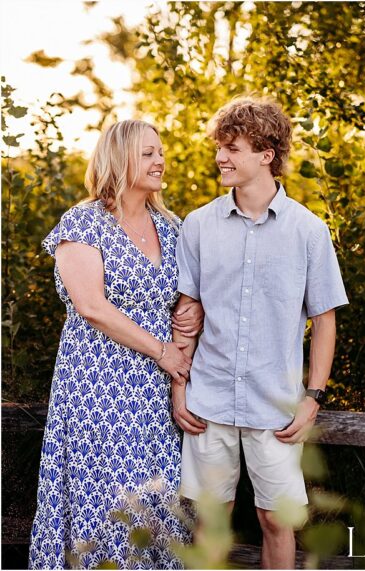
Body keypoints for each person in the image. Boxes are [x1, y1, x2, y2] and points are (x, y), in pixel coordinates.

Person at [171, 98, 348, 568]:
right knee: (212, 518)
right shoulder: (198, 226)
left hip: (276, 406)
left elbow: (324, 320)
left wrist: (313, 396)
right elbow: (187, 315)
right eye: (219, 148)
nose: (220, 158)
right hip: (208, 400)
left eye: (232, 148)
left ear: (267, 153)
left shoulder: (309, 231)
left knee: (277, 521)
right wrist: (178, 389)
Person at [29, 120, 203, 568]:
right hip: (97, 384)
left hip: (153, 391)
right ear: (118, 157)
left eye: (160, 152)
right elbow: (92, 306)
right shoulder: (83, 222)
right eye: (147, 153)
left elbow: (188, 298)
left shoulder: (172, 226)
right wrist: (164, 351)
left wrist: (193, 313)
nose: (160, 161)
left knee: (155, 501)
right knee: (106, 503)